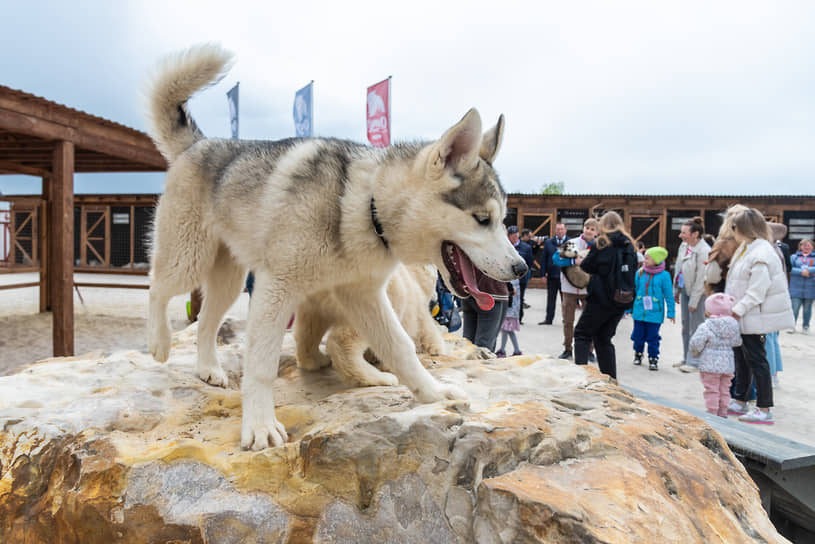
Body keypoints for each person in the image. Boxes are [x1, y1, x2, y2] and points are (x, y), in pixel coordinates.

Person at [726, 208, 794, 425]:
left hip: (753, 315)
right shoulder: (747, 248)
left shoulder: (762, 252)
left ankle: (764, 407)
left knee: (757, 361)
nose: (732, 230)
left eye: (734, 226)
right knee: (742, 359)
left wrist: (738, 309)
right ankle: (740, 399)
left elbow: (757, 290)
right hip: (743, 316)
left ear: (744, 228)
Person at [573, 211, 637, 379]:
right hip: (621, 298)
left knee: (582, 334)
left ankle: (581, 377)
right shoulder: (629, 244)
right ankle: (610, 380)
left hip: (600, 298)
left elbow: (588, 266)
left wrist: (580, 262)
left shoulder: (602, 242)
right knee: (603, 338)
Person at [689, 293, 742, 418]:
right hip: (727, 365)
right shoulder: (734, 325)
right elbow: (737, 342)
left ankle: (712, 412)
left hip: (709, 365)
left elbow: (696, 343)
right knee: (725, 390)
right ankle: (723, 412)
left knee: (712, 390)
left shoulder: (706, 326)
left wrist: (695, 353)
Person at [552, 218, 598, 360]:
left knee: (590, 320)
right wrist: (573, 261)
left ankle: (589, 350)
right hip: (568, 288)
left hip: (588, 289)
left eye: (592, 229)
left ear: (597, 232)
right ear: (583, 228)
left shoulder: (598, 246)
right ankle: (567, 348)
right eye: (587, 227)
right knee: (568, 320)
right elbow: (556, 259)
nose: (589, 230)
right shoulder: (572, 243)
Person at [673, 217, 710, 372]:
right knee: (685, 327)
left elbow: (702, 279)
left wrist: (694, 301)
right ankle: (686, 357)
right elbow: (678, 268)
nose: (680, 235)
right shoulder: (684, 246)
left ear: (695, 234)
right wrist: (677, 290)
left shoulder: (704, 251)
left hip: (698, 294)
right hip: (685, 290)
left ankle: (695, 361)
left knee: (696, 327)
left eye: (684, 233)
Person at [630, 246, 675, 371]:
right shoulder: (639, 272)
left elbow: (668, 295)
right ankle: (638, 353)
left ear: (656, 260)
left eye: (648, 258)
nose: (645, 260)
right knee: (638, 335)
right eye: (644, 257)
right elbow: (634, 291)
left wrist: (671, 312)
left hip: (655, 313)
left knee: (652, 337)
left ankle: (653, 358)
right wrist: (628, 308)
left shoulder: (664, 275)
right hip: (639, 311)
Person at [538, 222, 568, 325]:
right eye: (558, 229)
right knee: (551, 299)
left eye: (562, 229)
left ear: (565, 230)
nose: (560, 231)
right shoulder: (549, 242)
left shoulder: (570, 242)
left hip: (565, 276)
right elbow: (543, 259)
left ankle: (566, 319)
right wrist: (542, 274)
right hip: (552, 276)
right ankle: (548, 319)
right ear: (555, 230)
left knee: (566, 300)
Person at [789, 238, 815, 334]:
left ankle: (806, 326)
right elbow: (790, 268)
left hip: (811, 287)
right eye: (804, 245)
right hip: (796, 287)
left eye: (808, 245)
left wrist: (809, 271)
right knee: (794, 308)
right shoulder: (794, 257)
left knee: (807, 309)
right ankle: (791, 326)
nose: (806, 247)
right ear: (800, 246)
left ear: (812, 247)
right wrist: (802, 272)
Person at [508, 226, 534, 324]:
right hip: (508, 277)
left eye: (515, 236)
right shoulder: (506, 246)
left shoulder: (526, 247)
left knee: (520, 297)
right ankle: (508, 317)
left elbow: (530, 262)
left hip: (521, 278)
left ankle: (518, 318)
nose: (514, 238)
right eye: (511, 236)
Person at [496, 278, 522, 357]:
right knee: (507, 330)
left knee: (506, 330)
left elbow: (511, 295)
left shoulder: (511, 281)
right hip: (512, 309)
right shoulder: (514, 280)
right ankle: (513, 350)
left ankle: (503, 350)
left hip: (509, 309)